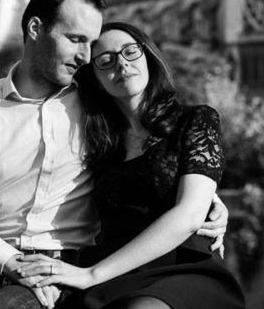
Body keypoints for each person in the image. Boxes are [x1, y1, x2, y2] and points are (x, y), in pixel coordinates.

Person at [0, 0, 228, 309]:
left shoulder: (100, 106)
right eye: (75, 39)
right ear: (36, 28)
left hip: (60, 269)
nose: (86, 56)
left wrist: (208, 199)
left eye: (91, 44)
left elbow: (153, 154)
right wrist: (10, 261)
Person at [16, 21, 245, 309]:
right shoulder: (94, 141)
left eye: (130, 51)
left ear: (148, 56)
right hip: (115, 269)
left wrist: (90, 275)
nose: (121, 64)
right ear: (95, 77)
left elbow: (189, 214)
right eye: (106, 60)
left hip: (184, 268)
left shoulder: (195, 120)